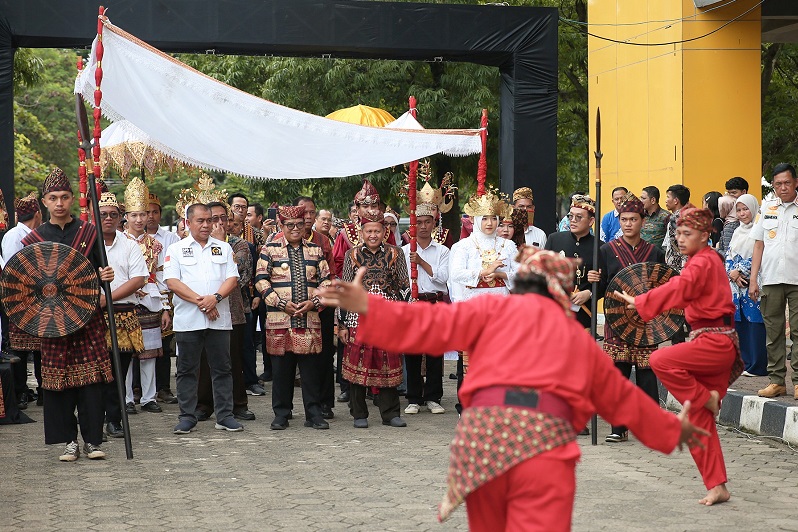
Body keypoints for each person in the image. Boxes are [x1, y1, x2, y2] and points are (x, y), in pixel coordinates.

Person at [318, 247, 709, 531]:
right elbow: (625, 403)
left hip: (482, 440)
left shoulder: (489, 310)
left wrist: (370, 306)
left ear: (518, 283)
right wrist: (676, 430)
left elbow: (429, 323)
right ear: (561, 292)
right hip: (543, 445)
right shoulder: (575, 339)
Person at [615, 207, 742, 506]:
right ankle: (717, 486)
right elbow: (681, 290)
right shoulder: (698, 262)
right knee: (699, 422)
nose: (680, 240)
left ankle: (705, 398)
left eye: (687, 234)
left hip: (715, 343)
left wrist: (643, 300)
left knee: (661, 360)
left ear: (704, 234)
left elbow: (680, 287)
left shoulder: (705, 260)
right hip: (709, 341)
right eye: (678, 234)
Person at [21, 167, 115, 461]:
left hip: (87, 317)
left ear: (72, 199)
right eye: (53, 198)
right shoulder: (34, 239)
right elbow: (25, 283)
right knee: (56, 383)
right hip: (51, 320)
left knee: (91, 384)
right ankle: (68, 442)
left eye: (64, 197)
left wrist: (107, 276)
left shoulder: (90, 233)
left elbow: (101, 273)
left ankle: (93, 441)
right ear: (44, 202)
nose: (59, 203)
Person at [587, 192, 665, 443]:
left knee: (647, 374)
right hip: (617, 319)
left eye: (633, 219)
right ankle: (618, 427)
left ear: (642, 221)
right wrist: (594, 283)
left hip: (645, 320)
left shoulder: (654, 252)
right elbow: (602, 289)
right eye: (623, 219)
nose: (628, 224)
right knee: (618, 373)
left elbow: (663, 285)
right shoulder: (606, 250)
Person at [164, 202, 243, 434]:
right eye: (201, 220)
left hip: (219, 319)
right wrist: (203, 301)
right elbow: (173, 282)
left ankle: (225, 415)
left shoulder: (224, 248)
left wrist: (215, 298)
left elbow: (232, 278)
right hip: (188, 320)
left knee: (222, 368)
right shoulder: (176, 249)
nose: (207, 225)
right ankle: (187, 416)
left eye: (210, 220)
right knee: (187, 369)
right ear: (188, 223)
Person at [254, 205, 332, 430]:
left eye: (299, 224)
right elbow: (260, 280)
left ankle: (314, 414)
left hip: (309, 321)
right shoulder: (270, 250)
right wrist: (280, 303)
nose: (296, 228)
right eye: (290, 225)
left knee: (310, 371)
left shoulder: (315, 251)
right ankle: (281, 413)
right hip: (280, 320)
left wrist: (314, 303)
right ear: (282, 225)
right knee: (281, 371)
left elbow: (326, 281)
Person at [339, 211, 410, 428]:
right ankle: (359, 413)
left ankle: (390, 413)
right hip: (357, 316)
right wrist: (342, 323)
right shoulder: (352, 255)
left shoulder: (396, 253)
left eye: (377, 231)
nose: (372, 235)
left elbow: (404, 286)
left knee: (388, 363)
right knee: (358, 365)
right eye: (368, 231)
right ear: (361, 232)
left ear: (384, 231)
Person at [449, 190, 518, 411]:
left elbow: (520, 275)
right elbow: (456, 274)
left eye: (493, 218)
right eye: (485, 218)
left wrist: (499, 275)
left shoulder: (508, 246)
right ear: (475, 220)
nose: (490, 223)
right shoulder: (463, 246)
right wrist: (484, 271)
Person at [194, 201, 256, 423]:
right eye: (214, 218)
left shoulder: (240, 245)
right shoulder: (195, 246)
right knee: (204, 360)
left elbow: (241, 276)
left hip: (232, 310)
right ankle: (203, 404)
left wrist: (220, 245)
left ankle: (238, 403)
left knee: (233, 360)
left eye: (223, 218)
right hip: (203, 308)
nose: (219, 223)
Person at [97, 191, 148, 439]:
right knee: (96, 371)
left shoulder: (130, 245)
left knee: (119, 370)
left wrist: (108, 298)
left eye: (113, 215)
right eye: (103, 215)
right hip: (93, 316)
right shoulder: (87, 243)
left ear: (120, 219)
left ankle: (114, 419)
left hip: (122, 315)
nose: (108, 219)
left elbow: (139, 279)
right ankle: (94, 419)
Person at [749, 163, 798, 399]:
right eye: (778, 184)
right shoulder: (767, 207)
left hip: (797, 279)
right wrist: (753, 280)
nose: (783, 187)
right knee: (774, 331)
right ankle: (777, 381)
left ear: (796, 182)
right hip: (770, 279)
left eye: (787, 183)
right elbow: (758, 244)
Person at [402, 202, 450, 416]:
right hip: (412, 304)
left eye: (427, 222)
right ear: (412, 226)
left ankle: (433, 396)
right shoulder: (403, 251)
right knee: (412, 351)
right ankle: (413, 397)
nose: (422, 226)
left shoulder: (443, 251)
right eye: (418, 222)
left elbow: (443, 278)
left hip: (434, 303)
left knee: (433, 352)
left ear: (434, 224)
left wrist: (420, 262)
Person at [122, 177, 165, 415]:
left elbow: (160, 276)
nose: (140, 220)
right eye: (134, 215)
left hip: (149, 301)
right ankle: (127, 397)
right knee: (126, 351)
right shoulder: (118, 242)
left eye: (143, 215)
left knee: (148, 354)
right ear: (126, 217)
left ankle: (149, 397)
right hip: (126, 301)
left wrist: (166, 307)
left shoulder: (155, 245)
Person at [3, 192, 44, 408]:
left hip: (40, 298)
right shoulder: (14, 235)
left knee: (41, 346)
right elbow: (12, 269)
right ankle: (20, 391)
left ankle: (43, 389)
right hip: (20, 299)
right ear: (37, 213)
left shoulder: (38, 234)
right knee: (19, 347)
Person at [545, 194, 602, 330]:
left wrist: (589, 293)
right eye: (571, 216)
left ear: (591, 221)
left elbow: (605, 282)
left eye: (579, 217)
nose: (573, 220)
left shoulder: (600, 247)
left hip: (584, 315)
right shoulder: (555, 239)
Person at [725, 194, 767, 376]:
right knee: (740, 323)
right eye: (739, 210)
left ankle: (757, 365)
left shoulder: (760, 229)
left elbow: (760, 255)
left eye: (746, 209)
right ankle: (745, 363)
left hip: (753, 282)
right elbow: (728, 254)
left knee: (755, 323)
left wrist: (741, 270)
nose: (742, 214)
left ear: (754, 208)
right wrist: (731, 273)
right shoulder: (736, 231)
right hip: (736, 286)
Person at [146, 193, 180, 405]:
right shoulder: (131, 239)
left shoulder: (171, 239)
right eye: (146, 212)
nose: (150, 216)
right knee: (141, 346)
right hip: (142, 295)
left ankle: (163, 387)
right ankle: (138, 388)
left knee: (164, 345)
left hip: (166, 296)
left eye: (154, 212)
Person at [664, 184, 693, 273]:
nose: (666, 200)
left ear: (676, 200)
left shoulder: (677, 218)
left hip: (678, 265)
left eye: (668, 197)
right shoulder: (690, 214)